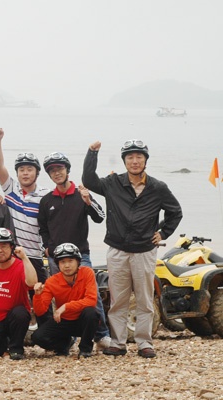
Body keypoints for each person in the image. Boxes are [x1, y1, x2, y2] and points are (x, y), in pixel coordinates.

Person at [82, 139, 183, 358]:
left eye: (139, 157)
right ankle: (118, 343)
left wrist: (163, 233)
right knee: (118, 299)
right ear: (124, 161)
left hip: (145, 251)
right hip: (117, 250)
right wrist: (92, 153)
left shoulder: (158, 187)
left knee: (144, 299)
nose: (135, 161)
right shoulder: (113, 183)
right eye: (130, 157)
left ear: (145, 160)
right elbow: (88, 180)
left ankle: (145, 343)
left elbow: (175, 212)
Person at [37, 152, 111, 350]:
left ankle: (102, 335)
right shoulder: (46, 200)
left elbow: (100, 217)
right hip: (55, 257)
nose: (57, 173)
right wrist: (47, 247)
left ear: (67, 170)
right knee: (61, 296)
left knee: (92, 296)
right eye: (52, 170)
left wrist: (88, 201)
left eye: (60, 169)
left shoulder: (81, 194)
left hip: (81, 255)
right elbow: (43, 228)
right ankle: (67, 337)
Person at [0, 128, 51, 283]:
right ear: (17, 173)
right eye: (21, 170)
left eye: (29, 169)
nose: (25, 173)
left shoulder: (46, 195)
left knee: (39, 293)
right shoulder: (11, 189)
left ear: (37, 173)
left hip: (35, 255)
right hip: (13, 255)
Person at [0, 228, 37, 360]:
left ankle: (16, 349)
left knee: (20, 313)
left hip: (14, 317)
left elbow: (32, 282)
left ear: (11, 247)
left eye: (4, 246)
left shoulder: (20, 265)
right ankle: (4, 344)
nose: (0, 250)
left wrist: (25, 257)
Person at [31, 243, 100, 358]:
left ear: (78, 262)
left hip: (82, 320)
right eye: (62, 262)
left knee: (91, 313)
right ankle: (64, 345)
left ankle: (85, 349)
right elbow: (40, 311)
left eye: (70, 261)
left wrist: (66, 306)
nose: (67, 265)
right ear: (58, 264)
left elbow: (91, 301)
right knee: (37, 337)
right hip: (64, 321)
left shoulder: (87, 273)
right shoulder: (52, 281)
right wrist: (37, 295)